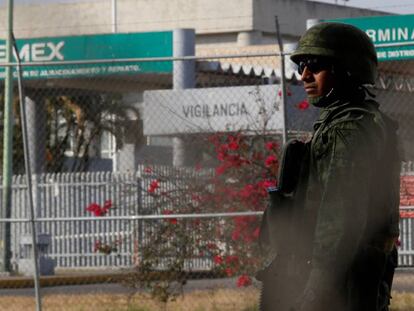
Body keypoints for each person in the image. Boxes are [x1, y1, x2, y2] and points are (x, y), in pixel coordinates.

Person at [257, 22, 401, 311]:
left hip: (336, 283)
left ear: (347, 69)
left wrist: (316, 290)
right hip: (346, 277)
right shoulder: (357, 122)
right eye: (301, 67)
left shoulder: (347, 129)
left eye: (315, 65)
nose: (305, 75)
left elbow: (341, 217)